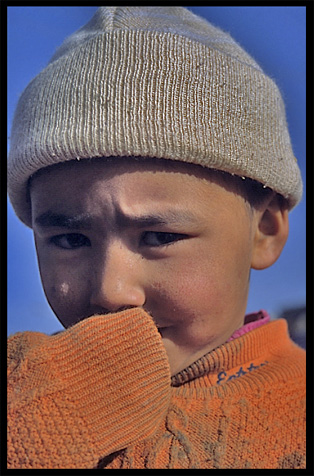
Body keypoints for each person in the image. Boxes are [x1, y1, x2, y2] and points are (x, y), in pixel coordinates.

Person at [7, 7, 305, 470]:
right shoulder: (21, 391)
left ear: (264, 231)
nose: (111, 292)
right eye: (69, 240)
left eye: (159, 236)